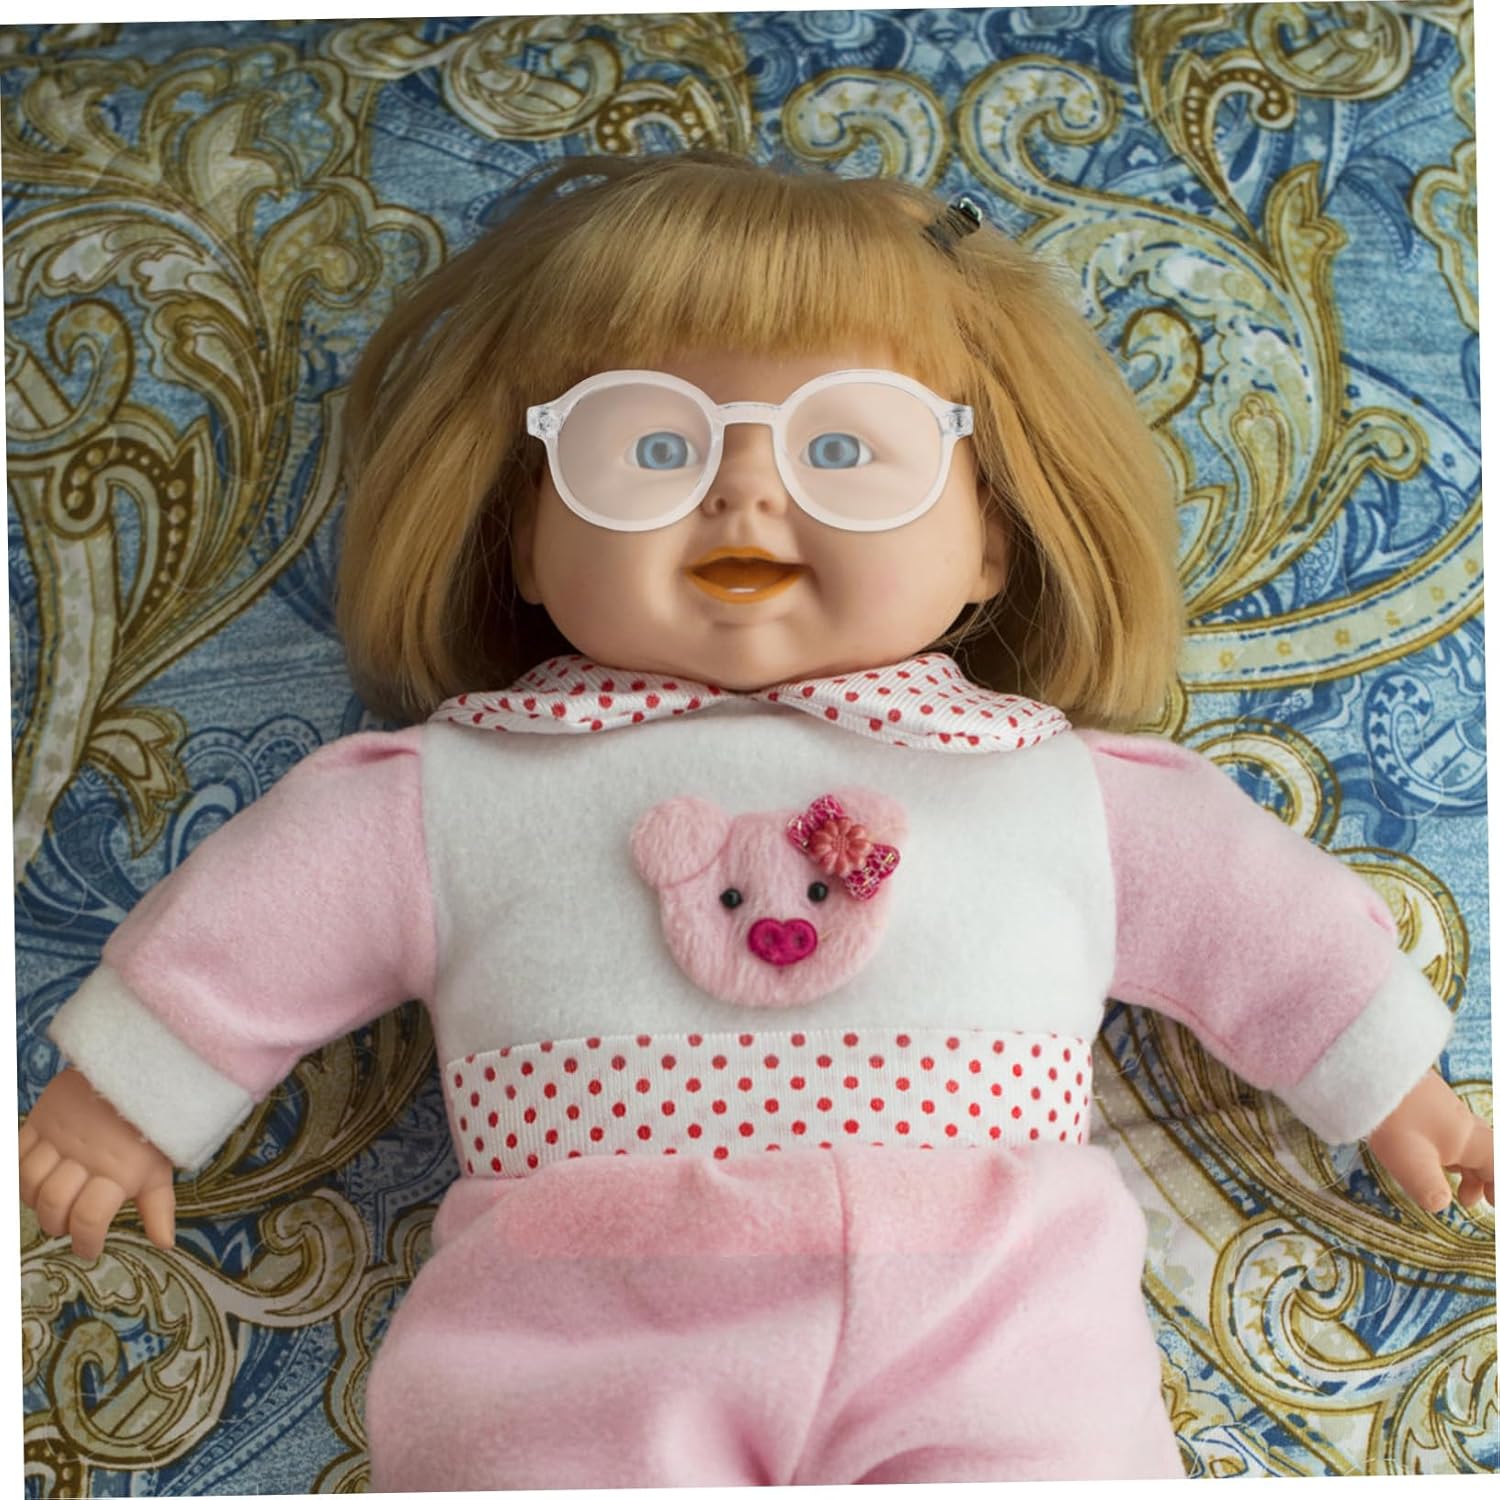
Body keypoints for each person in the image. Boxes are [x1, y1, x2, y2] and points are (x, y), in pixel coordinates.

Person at [18, 150, 1493, 1488]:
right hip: (579, 1338)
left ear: (991, 534)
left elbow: (1258, 923)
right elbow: (264, 921)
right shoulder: (458, 791)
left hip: (995, 1327)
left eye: (843, 446)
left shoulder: (1058, 788)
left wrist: (1388, 1079)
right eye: (647, 447)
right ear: (524, 533)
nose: (742, 493)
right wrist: (128, 1093)